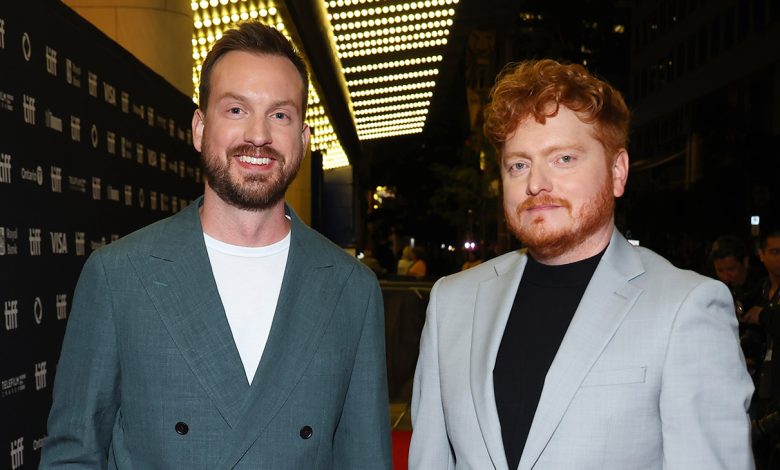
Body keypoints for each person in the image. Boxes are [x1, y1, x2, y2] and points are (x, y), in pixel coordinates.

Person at [40, 22, 391, 470]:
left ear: (303, 139)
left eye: (280, 115)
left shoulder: (352, 290)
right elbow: (73, 456)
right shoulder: (119, 275)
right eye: (236, 110)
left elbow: (365, 459)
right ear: (200, 128)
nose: (259, 135)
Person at [409, 59, 753, 470]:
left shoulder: (687, 306)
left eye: (564, 159)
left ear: (617, 170)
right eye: (519, 164)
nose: (536, 183)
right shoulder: (452, 302)